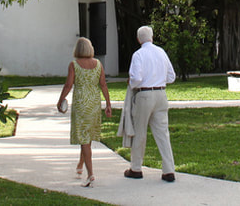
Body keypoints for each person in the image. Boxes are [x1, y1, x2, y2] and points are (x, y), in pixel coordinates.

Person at [123, 25, 176, 182]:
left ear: (138, 39)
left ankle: (136, 168)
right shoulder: (161, 52)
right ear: (152, 37)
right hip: (161, 93)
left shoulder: (138, 55)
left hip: (144, 94)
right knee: (162, 133)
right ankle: (168, 170)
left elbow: (137, 78)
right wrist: (158, 79)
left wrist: (131, 82)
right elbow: (171, 76)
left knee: (140, 132)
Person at [57, 37, 112, 187]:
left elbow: (68, 85)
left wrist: (61, 99)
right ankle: (80, 165)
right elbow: (103, 85)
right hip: (94, 103)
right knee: (86, 137)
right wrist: (108, 103)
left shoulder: (74, 65)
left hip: (81, 103)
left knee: (83, 138)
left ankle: (90, 174)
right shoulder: (98, 64)